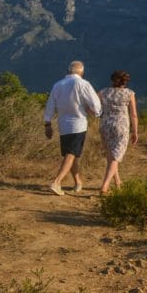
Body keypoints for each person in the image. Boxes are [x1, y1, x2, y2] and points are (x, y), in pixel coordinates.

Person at [44, 60, 102, 195]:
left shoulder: (57, 85)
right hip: (78, 124)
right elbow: (95, 103)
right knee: (71, 154)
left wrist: (47, 123)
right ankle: (57, 182)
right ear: (82, 72)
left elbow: (50, 105)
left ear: (68, 71)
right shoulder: (82, 83)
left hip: (63, 125)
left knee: (71, 154)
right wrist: (97, 112)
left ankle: (77, 182)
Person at [97, 69, 138, 194]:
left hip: (105, 125)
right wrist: (135, 131)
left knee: (111, 156)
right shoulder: (129, 93)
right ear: (125, 81)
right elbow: (134, 114)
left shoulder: (103, 92)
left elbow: (93, 105)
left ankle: (118, 182)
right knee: (116, 157)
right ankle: (104, 186)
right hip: (121, 127)